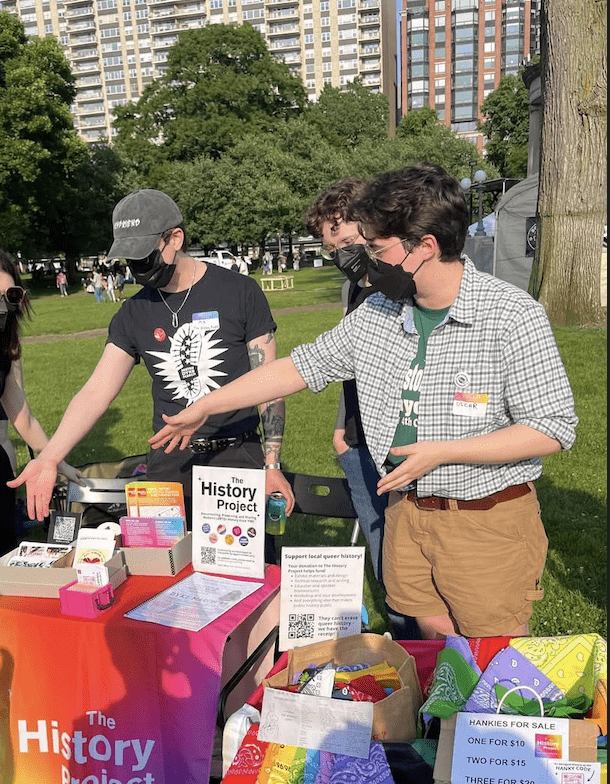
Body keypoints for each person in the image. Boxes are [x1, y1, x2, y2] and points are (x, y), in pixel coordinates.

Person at [145, 164, 578, 641]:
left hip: (483, 516)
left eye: (377, 248)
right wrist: (208, 405)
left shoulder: (512, 315)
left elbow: (552, 426)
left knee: (494, 649)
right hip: (406, 507)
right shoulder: (379, 311)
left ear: (425, 246)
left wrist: (444, 452)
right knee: (434, 633)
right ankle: (442, 717)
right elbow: (300, 367)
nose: (367, 259)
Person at [10, 189, 295, 536]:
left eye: (144, 256)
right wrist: (51, 456)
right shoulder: (133, 313)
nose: (137, 269)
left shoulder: (240, 292)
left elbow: (268, 383)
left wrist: (272, 463)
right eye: (129, 260)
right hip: (169, 463)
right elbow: (97, 391)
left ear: (175, 238)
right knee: (163, 574)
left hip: (237, 457)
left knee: (243, 576)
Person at [304, 178, 419, 640]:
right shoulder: (355, 289)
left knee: (408, 549)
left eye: (349, 243)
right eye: (333, 250)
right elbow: (346, 361)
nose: (342, 257)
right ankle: (403, 643)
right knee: (379, 542)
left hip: (399, 442)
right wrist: (341, 427)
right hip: (356, 438)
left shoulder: (402, 288)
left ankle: (425, 645)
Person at [0, 250, 82, 555]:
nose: (3, 306)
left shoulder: (5, 348)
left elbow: (24, 418)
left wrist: (56, 460)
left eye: (10, 295)